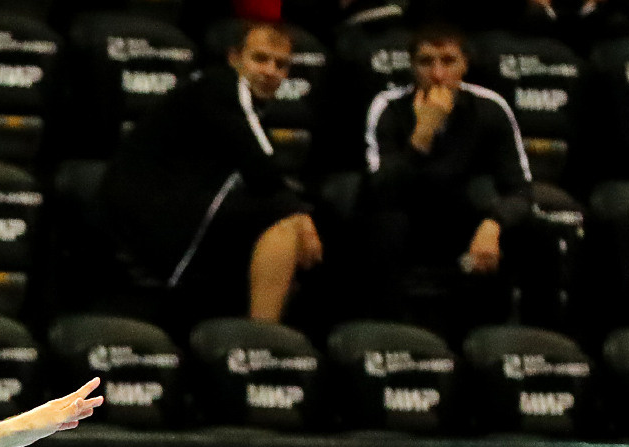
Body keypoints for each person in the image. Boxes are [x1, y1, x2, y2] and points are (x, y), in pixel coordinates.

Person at [101, 22, 323, 323]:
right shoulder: (223, 86)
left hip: (173, 205)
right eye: (260, 59)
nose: (270, 71)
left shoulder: (233, 99)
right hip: (151, 211)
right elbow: (262, 171)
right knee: (280, 220)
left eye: (281, 64)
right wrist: (300, 216)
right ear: (235, 59)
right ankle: (262, 339)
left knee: (297, 216)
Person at [360, 22, 540, 332]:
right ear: (412, 66)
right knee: (384, 224)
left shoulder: (490, 107)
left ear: (465, 64)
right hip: (409, 216)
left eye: (448, 61)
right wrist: (421, 135)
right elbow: (379, 191)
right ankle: (389, 334)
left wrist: (493, 223)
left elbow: (520, 190)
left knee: (538, 235)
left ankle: (539, 340)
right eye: (426, 62)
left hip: (466, 218)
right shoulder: (388, 106)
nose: (438, 74)